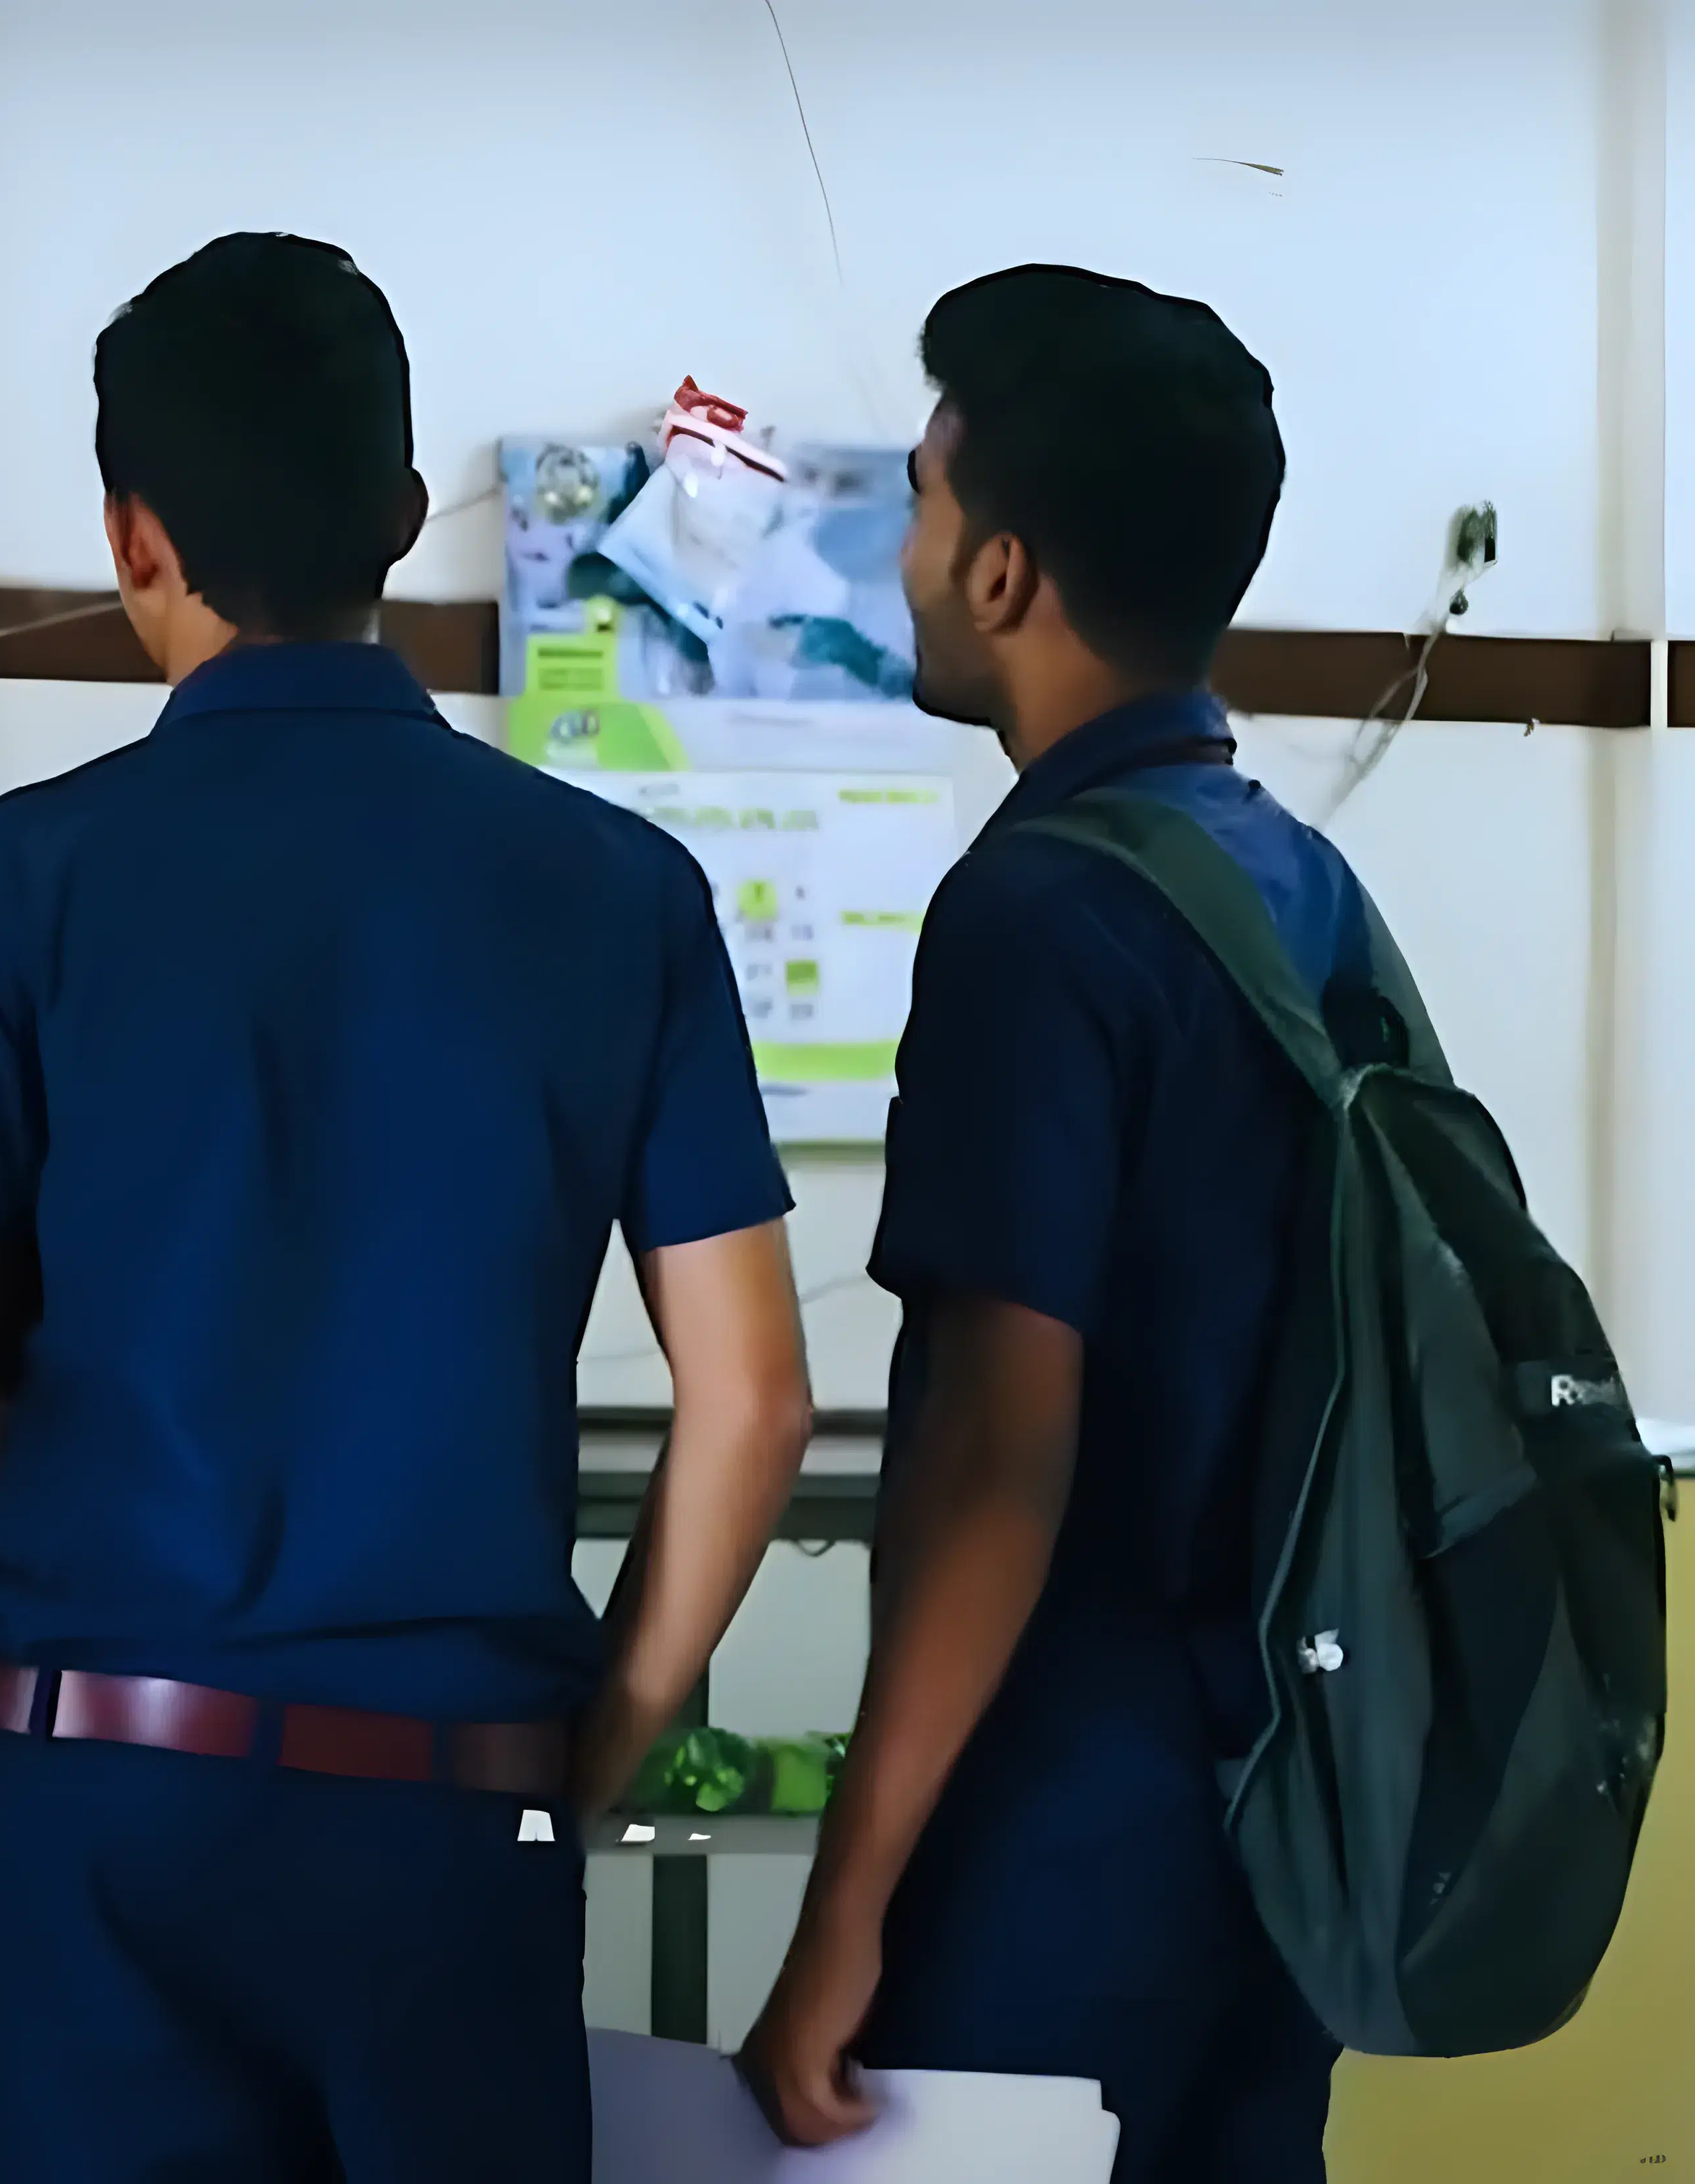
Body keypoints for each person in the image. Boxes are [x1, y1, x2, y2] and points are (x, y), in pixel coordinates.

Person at [0, 232, 817, 2183]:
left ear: (130, 537)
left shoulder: (24, 885)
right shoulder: (617, 892)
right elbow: (755, 1400)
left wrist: (100, 1504)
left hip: (92, 1789)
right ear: (390, 515)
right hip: (454, 1802)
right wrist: (598, 1736)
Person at [734, 264, 1351, 2183]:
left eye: (920, 498)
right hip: (1281, 1803)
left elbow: (1001, 1450)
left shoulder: (1041, 916)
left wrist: (846, 1899)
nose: (905, 549)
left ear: (1000, 570)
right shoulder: (1293, 884)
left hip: (1056, 1815)